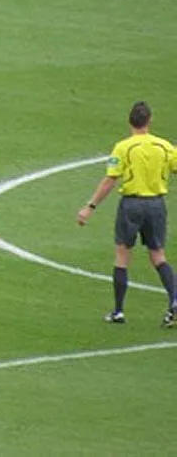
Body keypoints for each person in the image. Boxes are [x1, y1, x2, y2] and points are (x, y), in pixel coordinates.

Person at [76, 101, 177, 327]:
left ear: (129, 121)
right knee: (158, 256)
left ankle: (119, 311)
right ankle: (175, 302)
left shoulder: (123, 147)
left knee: (122, 256)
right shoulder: (164, 146)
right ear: (149, 121)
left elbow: (110, 179)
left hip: (131, 205)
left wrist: (90, 207)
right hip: (157, 205)